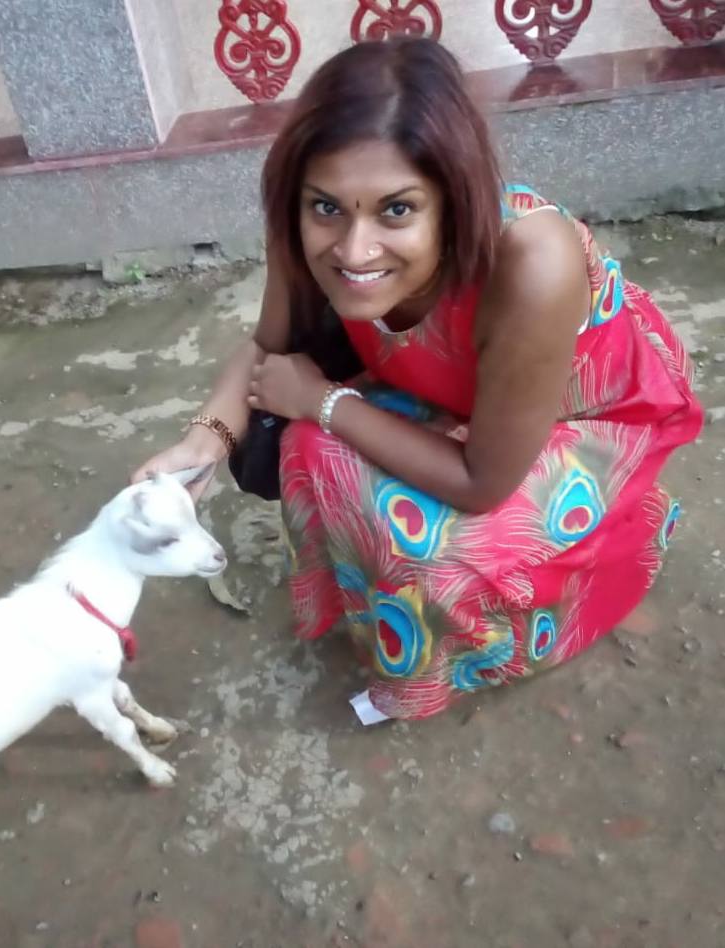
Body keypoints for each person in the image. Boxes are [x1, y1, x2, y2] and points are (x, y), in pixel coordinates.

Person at [132, 37, 702, 721]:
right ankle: (385, 605)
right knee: (306, 446)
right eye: (326, 209)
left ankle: (503, 630)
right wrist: (204, 441)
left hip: (578, 420)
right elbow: (267, 348)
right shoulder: (306, 219)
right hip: (454, 398)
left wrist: (323, 399)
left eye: (396, 210)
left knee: (410, 523)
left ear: (452, 199)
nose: (352, 250)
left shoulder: (530, 262)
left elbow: (481, 483)